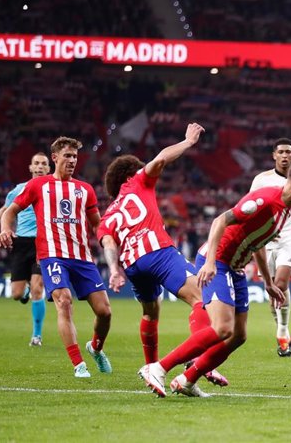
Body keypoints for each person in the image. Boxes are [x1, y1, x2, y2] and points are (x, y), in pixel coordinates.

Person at [138, 161, 291, 398]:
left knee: (238, 336)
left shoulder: (285, 212)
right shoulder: (264, 200)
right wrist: (212, 262)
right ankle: (158, 368)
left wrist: (267, 282)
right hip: (219, 263)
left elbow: (257, 244)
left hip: (236, 268)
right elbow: (220, 221)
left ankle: (187, 380)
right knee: (223, 328)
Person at [98, 122, 227, 389]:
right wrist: (188, 142)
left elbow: (108, 242)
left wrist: (113, 270)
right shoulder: (137, 182)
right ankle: (198, 364)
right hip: (157, 251)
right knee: (201, 298)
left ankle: (151, 366)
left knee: (150, 312)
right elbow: (160, 160)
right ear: (129, 175)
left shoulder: (108, 214)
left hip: (132, 263)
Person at [0, 137, 112, 378]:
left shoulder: (85, 189)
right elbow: (11, 211)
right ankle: (78, 364)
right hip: (51, 256)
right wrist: (7, 229)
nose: (72, 161)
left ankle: (96, 348)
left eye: (75, 157)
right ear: (55, 158)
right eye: (68, 156)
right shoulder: (38, 185)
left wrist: (108, 238)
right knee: (64, 301)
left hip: (82, 257)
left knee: (105, 312)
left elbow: (96, 225)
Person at [249, 138, 291, 356]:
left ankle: (281, 332)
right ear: (274, 155)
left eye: (288, 152)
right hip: (266, 240)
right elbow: (250, 204)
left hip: (290, 238)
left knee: (281, 282)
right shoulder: (262, 180)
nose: (285, 155)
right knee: (272, 292)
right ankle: (284, 330)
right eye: (281, 152)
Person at [0, 153, 50, 346]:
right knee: (17, 293)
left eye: (43, 164)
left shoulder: (53, 188)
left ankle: (37, 335)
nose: (40, 166)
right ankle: (24, 293)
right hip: (21, 242)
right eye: (36, 163)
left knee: (37, 287)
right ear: (31, 168)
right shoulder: (19, 189)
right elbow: (6, 208)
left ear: (48, 169)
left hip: (43, 242)